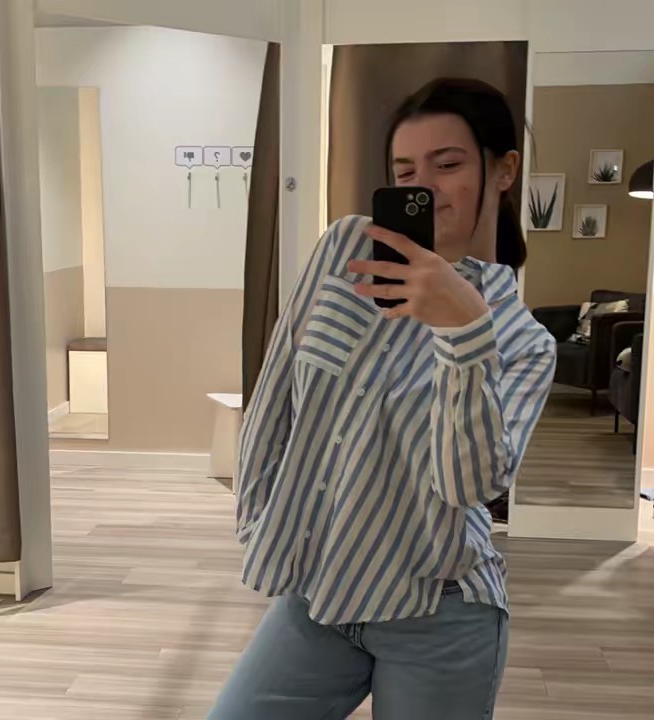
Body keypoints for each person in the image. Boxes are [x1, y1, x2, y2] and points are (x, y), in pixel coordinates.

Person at [208, 78, 556, 720]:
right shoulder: (345, 249)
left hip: (440, 611)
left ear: (504, 170)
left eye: (447, 165)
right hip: (318, 595)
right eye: (405, 171)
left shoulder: (523, 341)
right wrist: (261, 525)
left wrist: (463, 334)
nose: (423, 187)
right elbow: (275, 391)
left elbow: (469, 486)